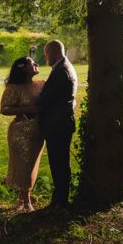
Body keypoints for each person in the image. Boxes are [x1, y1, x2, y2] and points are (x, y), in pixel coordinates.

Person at [0, 56, 45, 212]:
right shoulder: (14, 88)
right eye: (32, 63)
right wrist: (26, 109)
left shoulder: (41, 85)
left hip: (38, 132)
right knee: (22, 166)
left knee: (31, 166)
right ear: (23, 68)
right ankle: (27, 202)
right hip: (20, 133)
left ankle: (21, 198)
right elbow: (4, 109)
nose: (36, 63)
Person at [36, 39, 77, 209]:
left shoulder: (61, 71)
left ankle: (60, 201)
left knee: (58, 163)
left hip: (57, 124)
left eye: (46, 55)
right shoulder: (66, 67)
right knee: (61, 162)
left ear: (53, 53)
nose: (46, 58)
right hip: (62, 122)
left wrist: (33, 101)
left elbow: (46, 99)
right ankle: (60, 199)